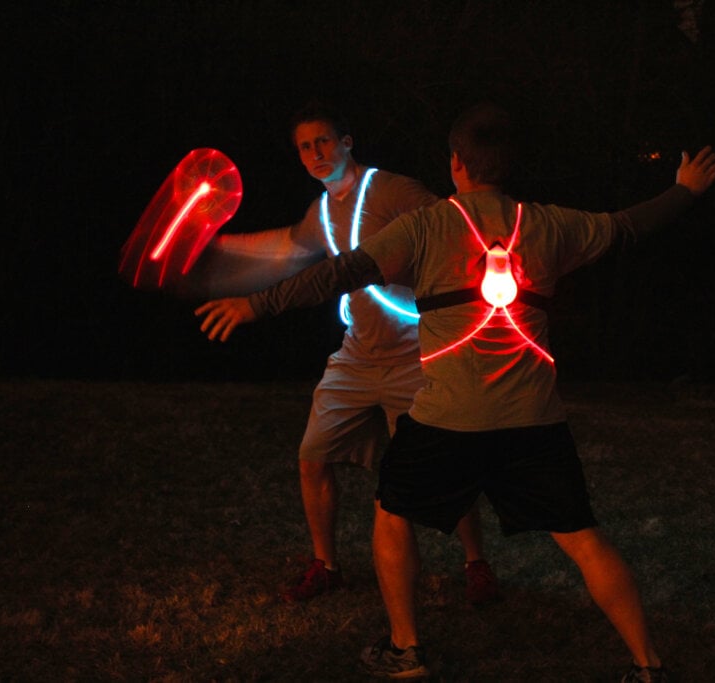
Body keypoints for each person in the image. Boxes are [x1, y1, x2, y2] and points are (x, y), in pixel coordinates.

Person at [195, 103, 715, 682]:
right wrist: (685, 191)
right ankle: (648, 666)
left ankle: (406, 650)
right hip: (534, 422)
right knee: (582, 539)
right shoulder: (548, 224)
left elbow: (336, 275)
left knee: (392, 513)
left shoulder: (426, 226)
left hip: (447, 421)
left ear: (456, 165)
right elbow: (628, 226)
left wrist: (256, 304)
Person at [182, 102, 499, 605]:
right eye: (305, 147)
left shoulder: (393, 190)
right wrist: (211, 254)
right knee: (313, 457)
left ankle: (476, 565)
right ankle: (326, 566)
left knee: (446, 467)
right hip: (356, 357)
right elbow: (284, 247)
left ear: (347, 142)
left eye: (324, 141)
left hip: (416, 354)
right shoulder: (322, 214)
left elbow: (449, 227)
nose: (314, 153)